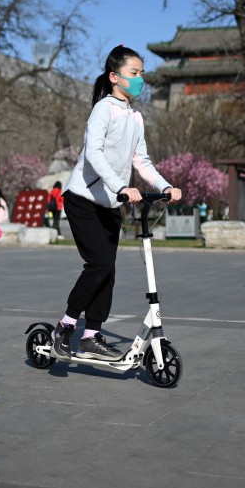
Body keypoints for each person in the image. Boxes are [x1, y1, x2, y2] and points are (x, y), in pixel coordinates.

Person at [51, 45, 182, 360]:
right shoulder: (104, 109)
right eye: (133, 73)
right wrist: (121, 186)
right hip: (83, 199)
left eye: (142, 74)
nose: (140, 80)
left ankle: (91, 335)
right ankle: (65, 326)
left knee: (107, 270)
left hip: (110, 204)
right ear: (114, 77)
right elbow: (93, 153)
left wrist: (166, 186)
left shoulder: (136, 117)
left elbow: (141, 161)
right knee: (98, 264)